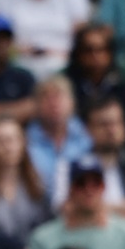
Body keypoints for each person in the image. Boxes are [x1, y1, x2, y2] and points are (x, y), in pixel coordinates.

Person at [64, 22, 125, 146]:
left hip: (122, 152)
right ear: (78, 53)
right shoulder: (67, 87)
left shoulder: (124, 87)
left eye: (101, 49)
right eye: (88, 50)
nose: (95, 56)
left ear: (110, 53)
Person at [0, 117, 52, 245]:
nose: (8, 147)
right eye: (0, 141)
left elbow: (49, 227)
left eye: (13, 139)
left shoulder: (41, 183)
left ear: (23, 142)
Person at [25, 74, 93, 208]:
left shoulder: (88, 137)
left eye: (59, 96)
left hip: (82, 209)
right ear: (36, 105)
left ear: (72, 102)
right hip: (37, 209)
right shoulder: (24, 141)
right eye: (46, 97)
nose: (53, 103)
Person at [81, 97, 125, 223]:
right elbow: (67, 210)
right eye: (104, 124)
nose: (112, 130)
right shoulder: (72, 165)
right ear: (88, 129)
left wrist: (98, 208)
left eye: (117, 123)